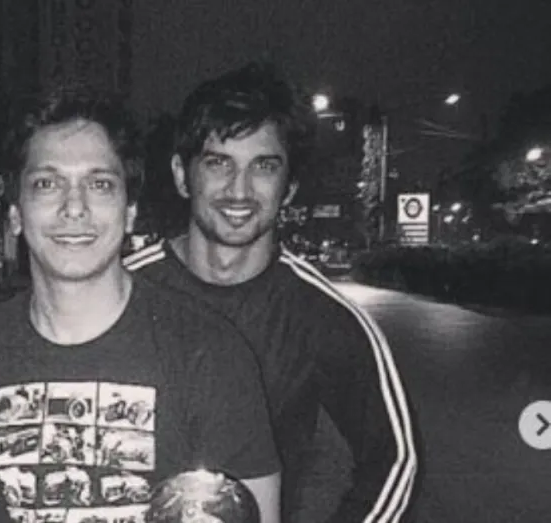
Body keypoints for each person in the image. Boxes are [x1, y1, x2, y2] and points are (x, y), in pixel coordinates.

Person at [0, 84, 281, 523]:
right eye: (47, 184)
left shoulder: (212, 354)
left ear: (129, 213)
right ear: (15, 213)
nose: (74, 207)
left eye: (100, 184)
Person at [124, 62, 418, 522]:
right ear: (182, 175)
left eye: (263, 166)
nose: (239, 190)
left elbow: (395, 461)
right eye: (218, 163)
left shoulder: (321, 315)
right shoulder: (122, 291)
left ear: (290, 187)